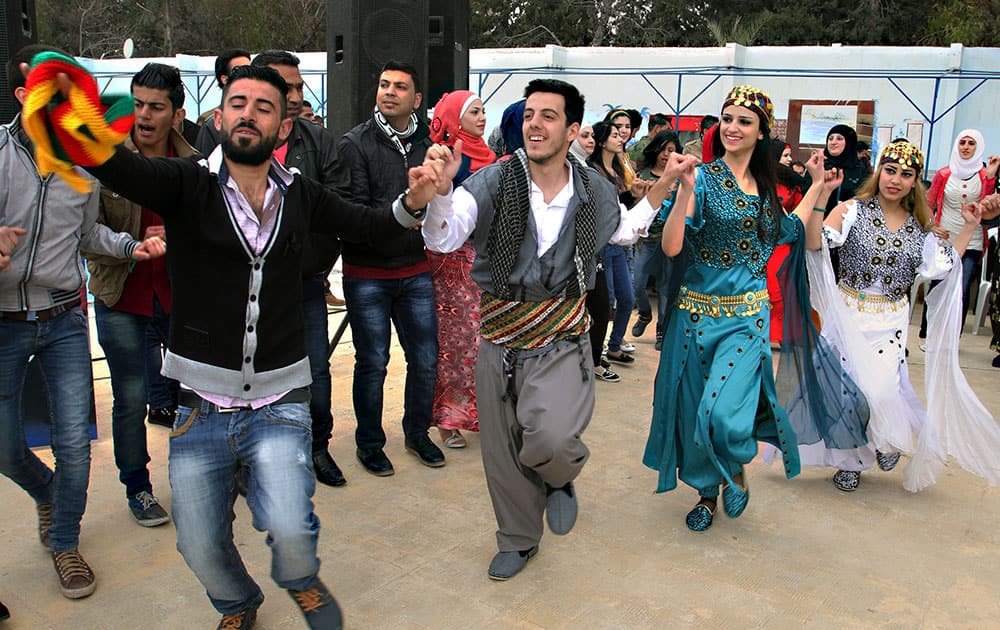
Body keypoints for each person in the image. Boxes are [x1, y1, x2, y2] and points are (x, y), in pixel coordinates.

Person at [24, 58, 438, 626]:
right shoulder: (187, 184)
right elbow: (117, 166)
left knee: (290, 528)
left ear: (281, 125)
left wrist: (414, 202)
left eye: (264, 107)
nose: (249, 114)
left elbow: (369, 226)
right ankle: (239, 603)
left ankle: (298, 576)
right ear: (218, 118)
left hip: (280, 399)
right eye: (238, 104)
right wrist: (66, 106)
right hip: (201, 406)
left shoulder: (302, 195)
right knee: (197, 543)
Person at [418, 78, 685, 579]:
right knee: (502, 452)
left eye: (548, 116)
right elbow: (445, 235)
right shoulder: (494, 180)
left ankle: (559, 478)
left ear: (572, 129)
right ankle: (518, 539)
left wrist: (666, 184)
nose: (534, 124)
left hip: (561, 335)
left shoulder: (593, 190)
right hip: (497, 336)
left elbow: (624, 229)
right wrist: (439, 195)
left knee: (552, 440)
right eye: (530, 114)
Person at [2, 45, 166, 600]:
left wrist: (130, 245)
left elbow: (89, 233)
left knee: (74, 443)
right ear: (26, 98)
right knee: (5, 447)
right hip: (4, 323)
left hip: (66, 318)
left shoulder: (86, 160)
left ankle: (65, 540)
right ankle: (49, 494)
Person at [643, 85, 840, 532]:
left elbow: (789, 230)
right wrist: (682, 189)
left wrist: (815, 188)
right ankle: (707, 494)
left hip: (746, 320)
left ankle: (733, 467)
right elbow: (673, 247)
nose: (732, 127)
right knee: (696, 410)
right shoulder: (704, 177)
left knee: (722, 413)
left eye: (744, 121)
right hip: (695, 317)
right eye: (727, 118)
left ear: (761, 132)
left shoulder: (768, 187)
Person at [798, 140, 1000, 492]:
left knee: (880, 393)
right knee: (847, 395)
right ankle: (853, 461)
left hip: (890, 319)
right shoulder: (852, 210)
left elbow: (943, 266)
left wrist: (969, 225)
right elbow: (815, 244)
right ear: (879, 172)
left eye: (906, 174)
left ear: (916, 181)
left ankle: (885, 438)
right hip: (848, 315)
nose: (896, 180)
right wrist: (820, 197)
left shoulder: (921, 227)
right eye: (890, 171)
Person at [85, 62, 199, 527]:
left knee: (196, 396)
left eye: (156, 107)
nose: (144, 116)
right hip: (122, 298)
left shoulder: (195, 162)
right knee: (131, 400)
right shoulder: (104, 156)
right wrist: (133, 246)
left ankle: (199, 481)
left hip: (184, 299)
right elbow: (84, 231)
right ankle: (138, 489)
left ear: (177, 113)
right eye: (137, 105)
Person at [337, 61, 445, 475]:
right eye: (383, 84)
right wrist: (405, 211)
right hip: (367, 273)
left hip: (416, 269)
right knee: (373, 362)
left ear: (416, 99)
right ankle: (369, 444)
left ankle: (418, 434)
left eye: (400, 87)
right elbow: (356, 213)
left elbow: (446, 201)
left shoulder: (429, 143)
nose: (389, 92)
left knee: (426, 358)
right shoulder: (354, 144)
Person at [426, 90, 496, 448]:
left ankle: (478, 413)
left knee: (482, 342)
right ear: (454, 117)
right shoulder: (446, 157)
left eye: (484, 111)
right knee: (455, 342)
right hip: (451, 262)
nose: (482, 118)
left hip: (485, 262)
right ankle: (447, 419)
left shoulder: (492, 158)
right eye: (474, 112)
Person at [920, 130, 999, 336]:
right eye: (962, 142)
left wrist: (990, 178)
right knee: (938, 284)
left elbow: (988, 207)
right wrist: (932, 226)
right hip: (944, 240)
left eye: (971, 143)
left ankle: (953, 335)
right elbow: (928, 204)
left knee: (962, 288)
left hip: (972, 240)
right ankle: (929, 332)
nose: (965, 147)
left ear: (978, 147)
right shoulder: (944, 174)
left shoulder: (984, 175)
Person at [588, 122, 648, 364]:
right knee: (606, 301)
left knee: (627, 298)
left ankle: (614, 344)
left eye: (623, 131)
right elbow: (608, 208)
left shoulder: (620, 169)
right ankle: (598, 351)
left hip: (620, 242)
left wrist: (636, 196)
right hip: (604, 242)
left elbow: (621, 206)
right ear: (602, 140)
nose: (621, 136)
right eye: (615, 134)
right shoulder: (592, 170)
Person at [633, 130, 682, 350]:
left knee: (664, 287)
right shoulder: (643, 173)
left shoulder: (681, 179)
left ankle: (662, 330)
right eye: (663, 149)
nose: (666, 154)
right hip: (647, 239)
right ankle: (644, 314)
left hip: (668, 241)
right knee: (637, 284)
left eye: (671, 150)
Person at [766, 139, 808, 346]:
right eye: (785, 156)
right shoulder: (759, 180)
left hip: (783, 241)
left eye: (790, 156)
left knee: (778, 283)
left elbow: (800, 213)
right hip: (761, 240)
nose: (790, 160)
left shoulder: (793, 184)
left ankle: (779, 333)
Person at [194, 48, 251, 133]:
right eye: (240, 71)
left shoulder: (259, 116)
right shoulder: (209, 121)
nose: (249, 75)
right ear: (224, 79)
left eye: (250, 69)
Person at [822, 124, 868, 213]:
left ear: (849, 142)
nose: (833, 142)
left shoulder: (860, 169)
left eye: (839, 138)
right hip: (818, 221)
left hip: (849, 221)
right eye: (830, 138)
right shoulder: (819, 166)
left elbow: (865, 197)